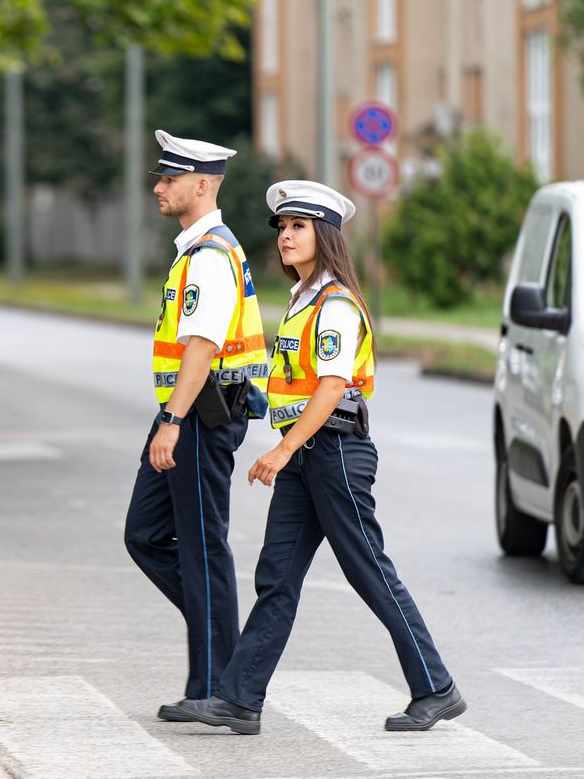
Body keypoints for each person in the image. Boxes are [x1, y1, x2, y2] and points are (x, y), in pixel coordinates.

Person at [176, 180, 465, 734]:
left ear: (325, 236)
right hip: (307, 456)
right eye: (282, 228)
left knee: (369, 572)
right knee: (276, 577)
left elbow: (332, 387)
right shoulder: (302, 300)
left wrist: (282, 450)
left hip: (334, 453)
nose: (285, 236)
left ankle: (437, 687)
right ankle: (240, 699)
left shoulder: (335, 303)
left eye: (298, 227)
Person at [124, 130, 269, 722]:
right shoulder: (196, 251)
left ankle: (214, 687)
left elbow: (202, 345)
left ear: (203, 185)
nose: (158, 186)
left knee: (203, 548)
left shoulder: (210, 255)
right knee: (147, 535)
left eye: (170, 178)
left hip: (200, 419)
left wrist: (172, 421)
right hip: (189, 418)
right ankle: (223, 662)